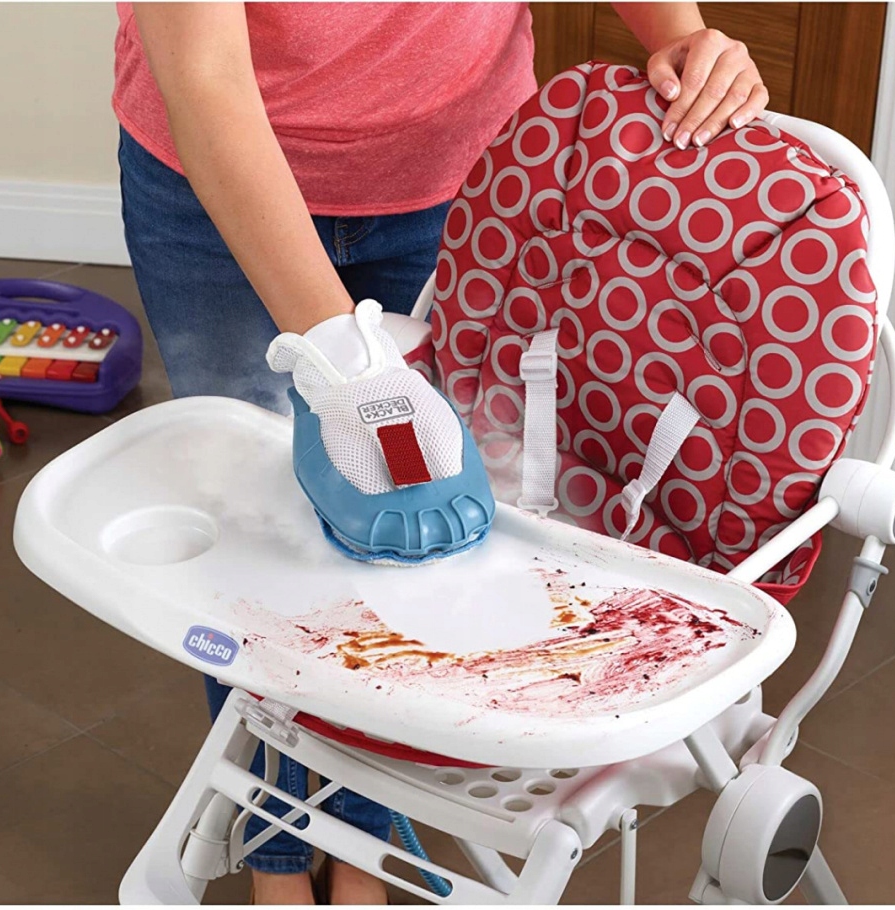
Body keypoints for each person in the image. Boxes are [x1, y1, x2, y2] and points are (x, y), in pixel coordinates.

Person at [113, 3, 767, 903]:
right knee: (255, 542)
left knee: (412, 533)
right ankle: (276, 859)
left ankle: (361, 851)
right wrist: (346, 363)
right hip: (216, 183)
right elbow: (206, 74)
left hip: (465, 170)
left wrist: (681, 37)